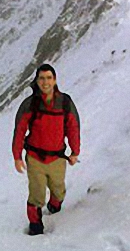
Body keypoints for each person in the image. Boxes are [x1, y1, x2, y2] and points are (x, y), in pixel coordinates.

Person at [12, 64, 80, 235]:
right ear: (37, 81)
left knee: (58, 190)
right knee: (37, 193)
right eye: (41, 78)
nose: (45, 82)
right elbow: (19, 129)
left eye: (49, 78)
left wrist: (75, 151)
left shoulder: (65, 102)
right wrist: (17, 156)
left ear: (55, 80)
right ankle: (35, 225)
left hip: (57, 157)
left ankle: (55, 207)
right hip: (35, 157)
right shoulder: (29, 104)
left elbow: (73, 127)